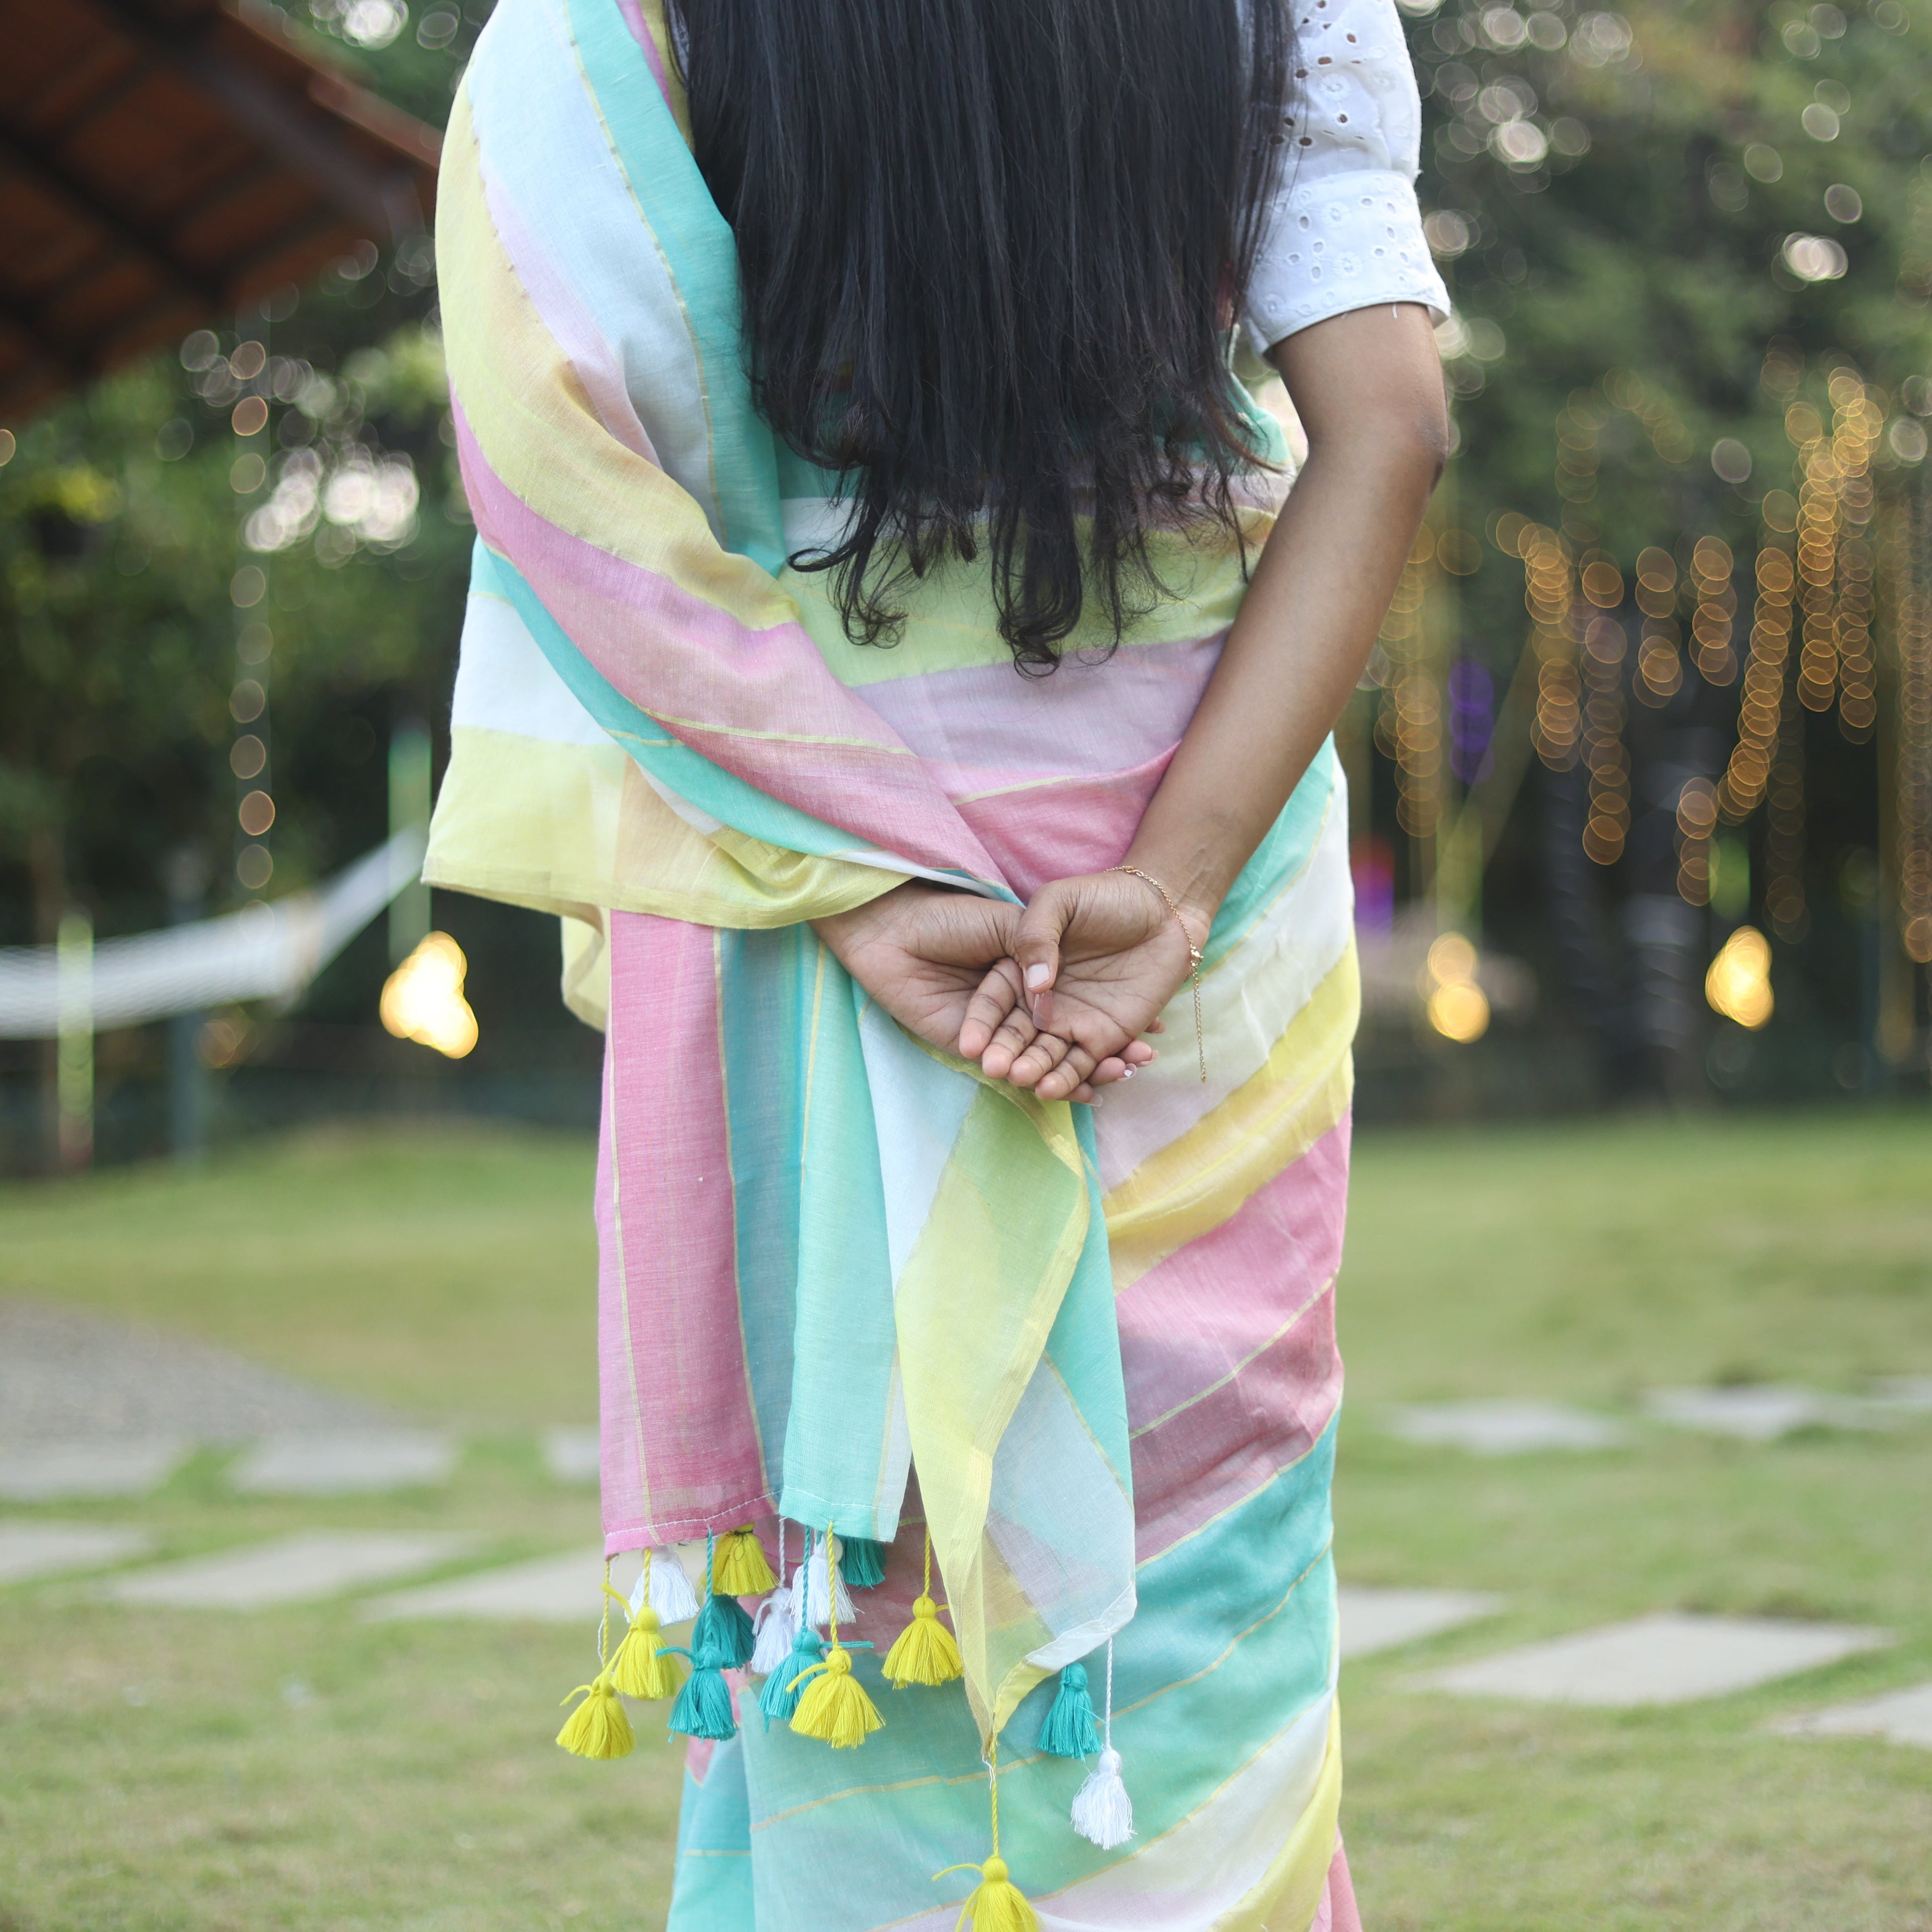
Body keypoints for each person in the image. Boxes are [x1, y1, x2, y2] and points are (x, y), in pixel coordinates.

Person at [426, 0, 1448, 1924]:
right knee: (1205, 1585)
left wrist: (840, 875)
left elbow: (559, 464)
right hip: (1192, 916)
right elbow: (1388, 426)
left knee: (855, 1590)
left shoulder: (602, 24)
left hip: (802, 876)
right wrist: (1167, 879)